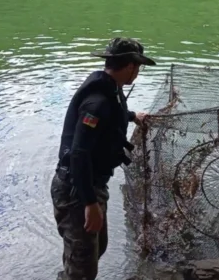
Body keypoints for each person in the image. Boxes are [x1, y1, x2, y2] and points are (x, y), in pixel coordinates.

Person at [50, 37, 156, 280]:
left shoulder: (110, 88)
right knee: (83, 267)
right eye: (137, 67)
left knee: (95, 248)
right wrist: (89, 203)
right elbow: (79, 153)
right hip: (76, 191)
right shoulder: (96, 102)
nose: (138, 73)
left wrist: (132, 116)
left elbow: (113, 115)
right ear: (129, 66)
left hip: (92, 184)